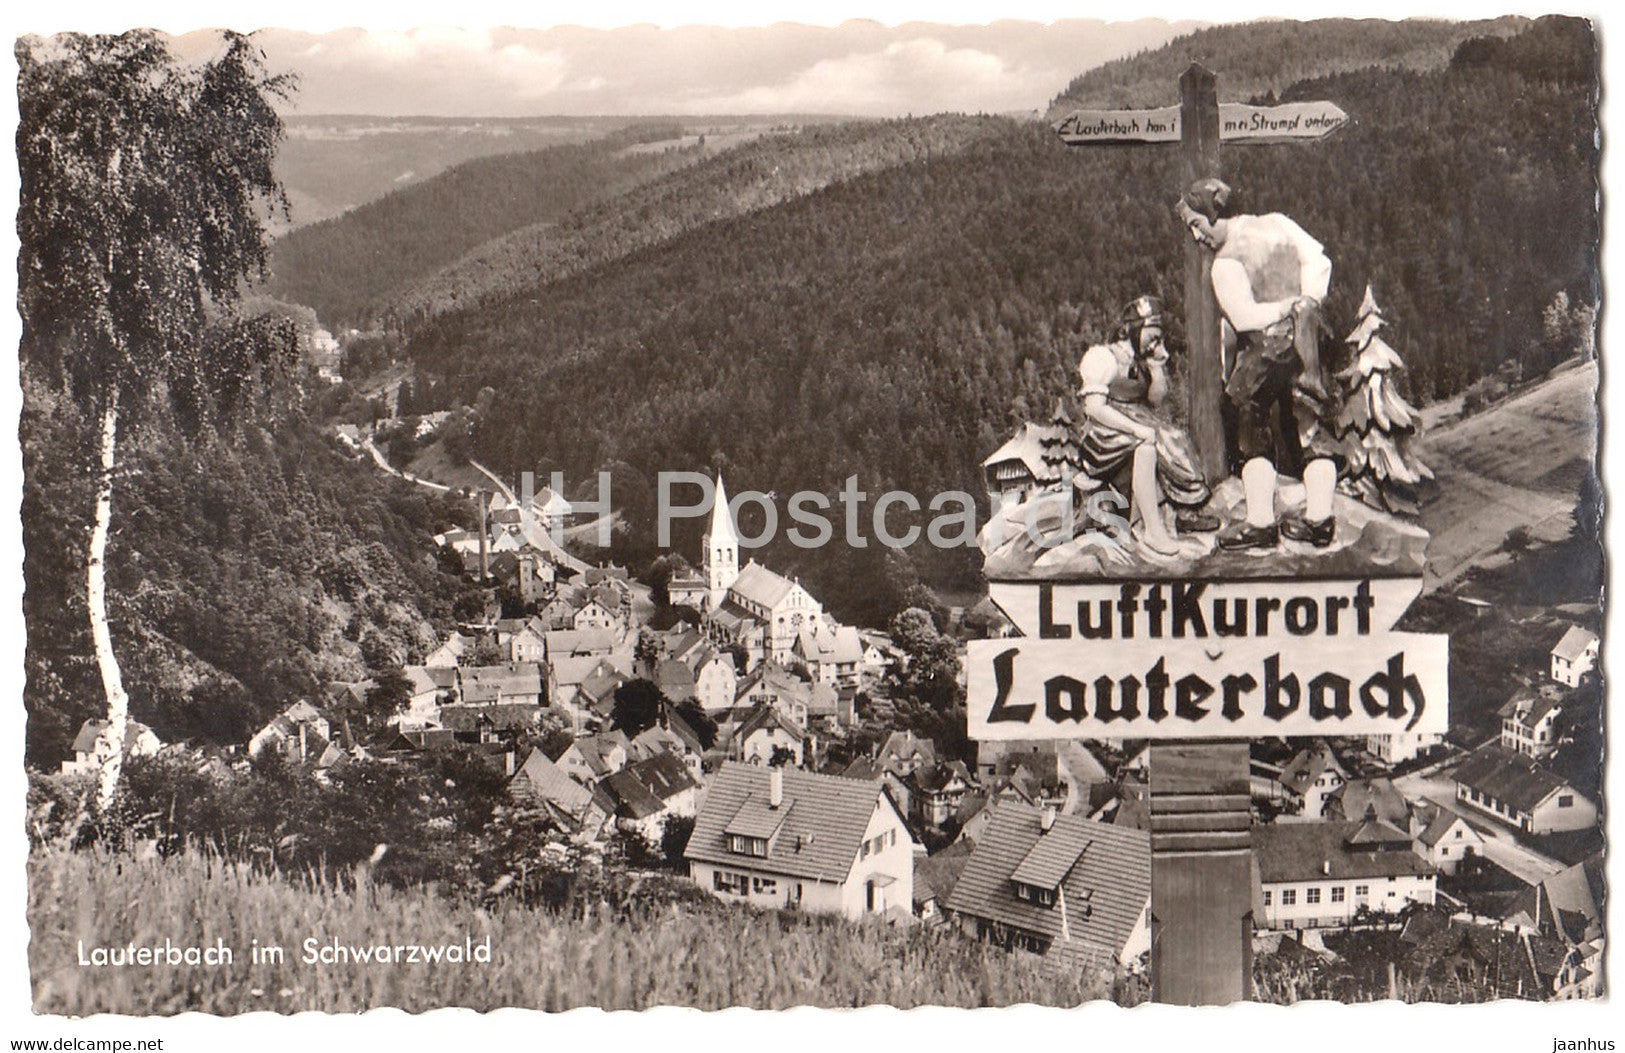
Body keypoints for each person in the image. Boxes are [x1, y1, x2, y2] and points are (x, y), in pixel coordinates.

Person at [1178, 177, 1338, 551]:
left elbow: (1244, 317)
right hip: (1308, 336)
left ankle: (1262, 524)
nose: (1197, 236)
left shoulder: (1225, 263)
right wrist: (1307, 302)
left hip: (1267, 346)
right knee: (1308, 421)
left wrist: (1282, 311)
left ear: (1214, 215)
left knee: (1248, 417)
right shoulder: (1279, 222)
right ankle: (1320, 519)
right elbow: (1318, 258)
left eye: (1197, 225)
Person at [1074, 294, 1219, 556]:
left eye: (1158, 336)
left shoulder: (1141, 360)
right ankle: (1153, 529)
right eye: (1151, 334)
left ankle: (1187, 506)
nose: (1155, 341)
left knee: (1175, 438)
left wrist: (1157, 368)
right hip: (1105, 433)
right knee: (1150, 443)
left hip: (1137, 418)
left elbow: (1155, 399)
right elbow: (1094, 408)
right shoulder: (1103, 357)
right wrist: (1135, 429)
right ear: (1131, 330)